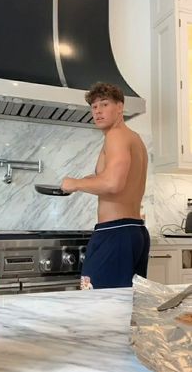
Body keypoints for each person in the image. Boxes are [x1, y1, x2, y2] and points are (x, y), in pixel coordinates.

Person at [61, 82, 150, 289]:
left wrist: (74, 184)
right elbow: (115, 177)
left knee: (97, 305)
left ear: (120, 107)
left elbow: (113, 183)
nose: (98, 111)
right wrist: (89, 179)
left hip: (115, 232)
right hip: (134, 231)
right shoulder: (133, 138)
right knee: (125, 307)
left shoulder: (115, 136)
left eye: (104, 104)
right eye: (94, 107)